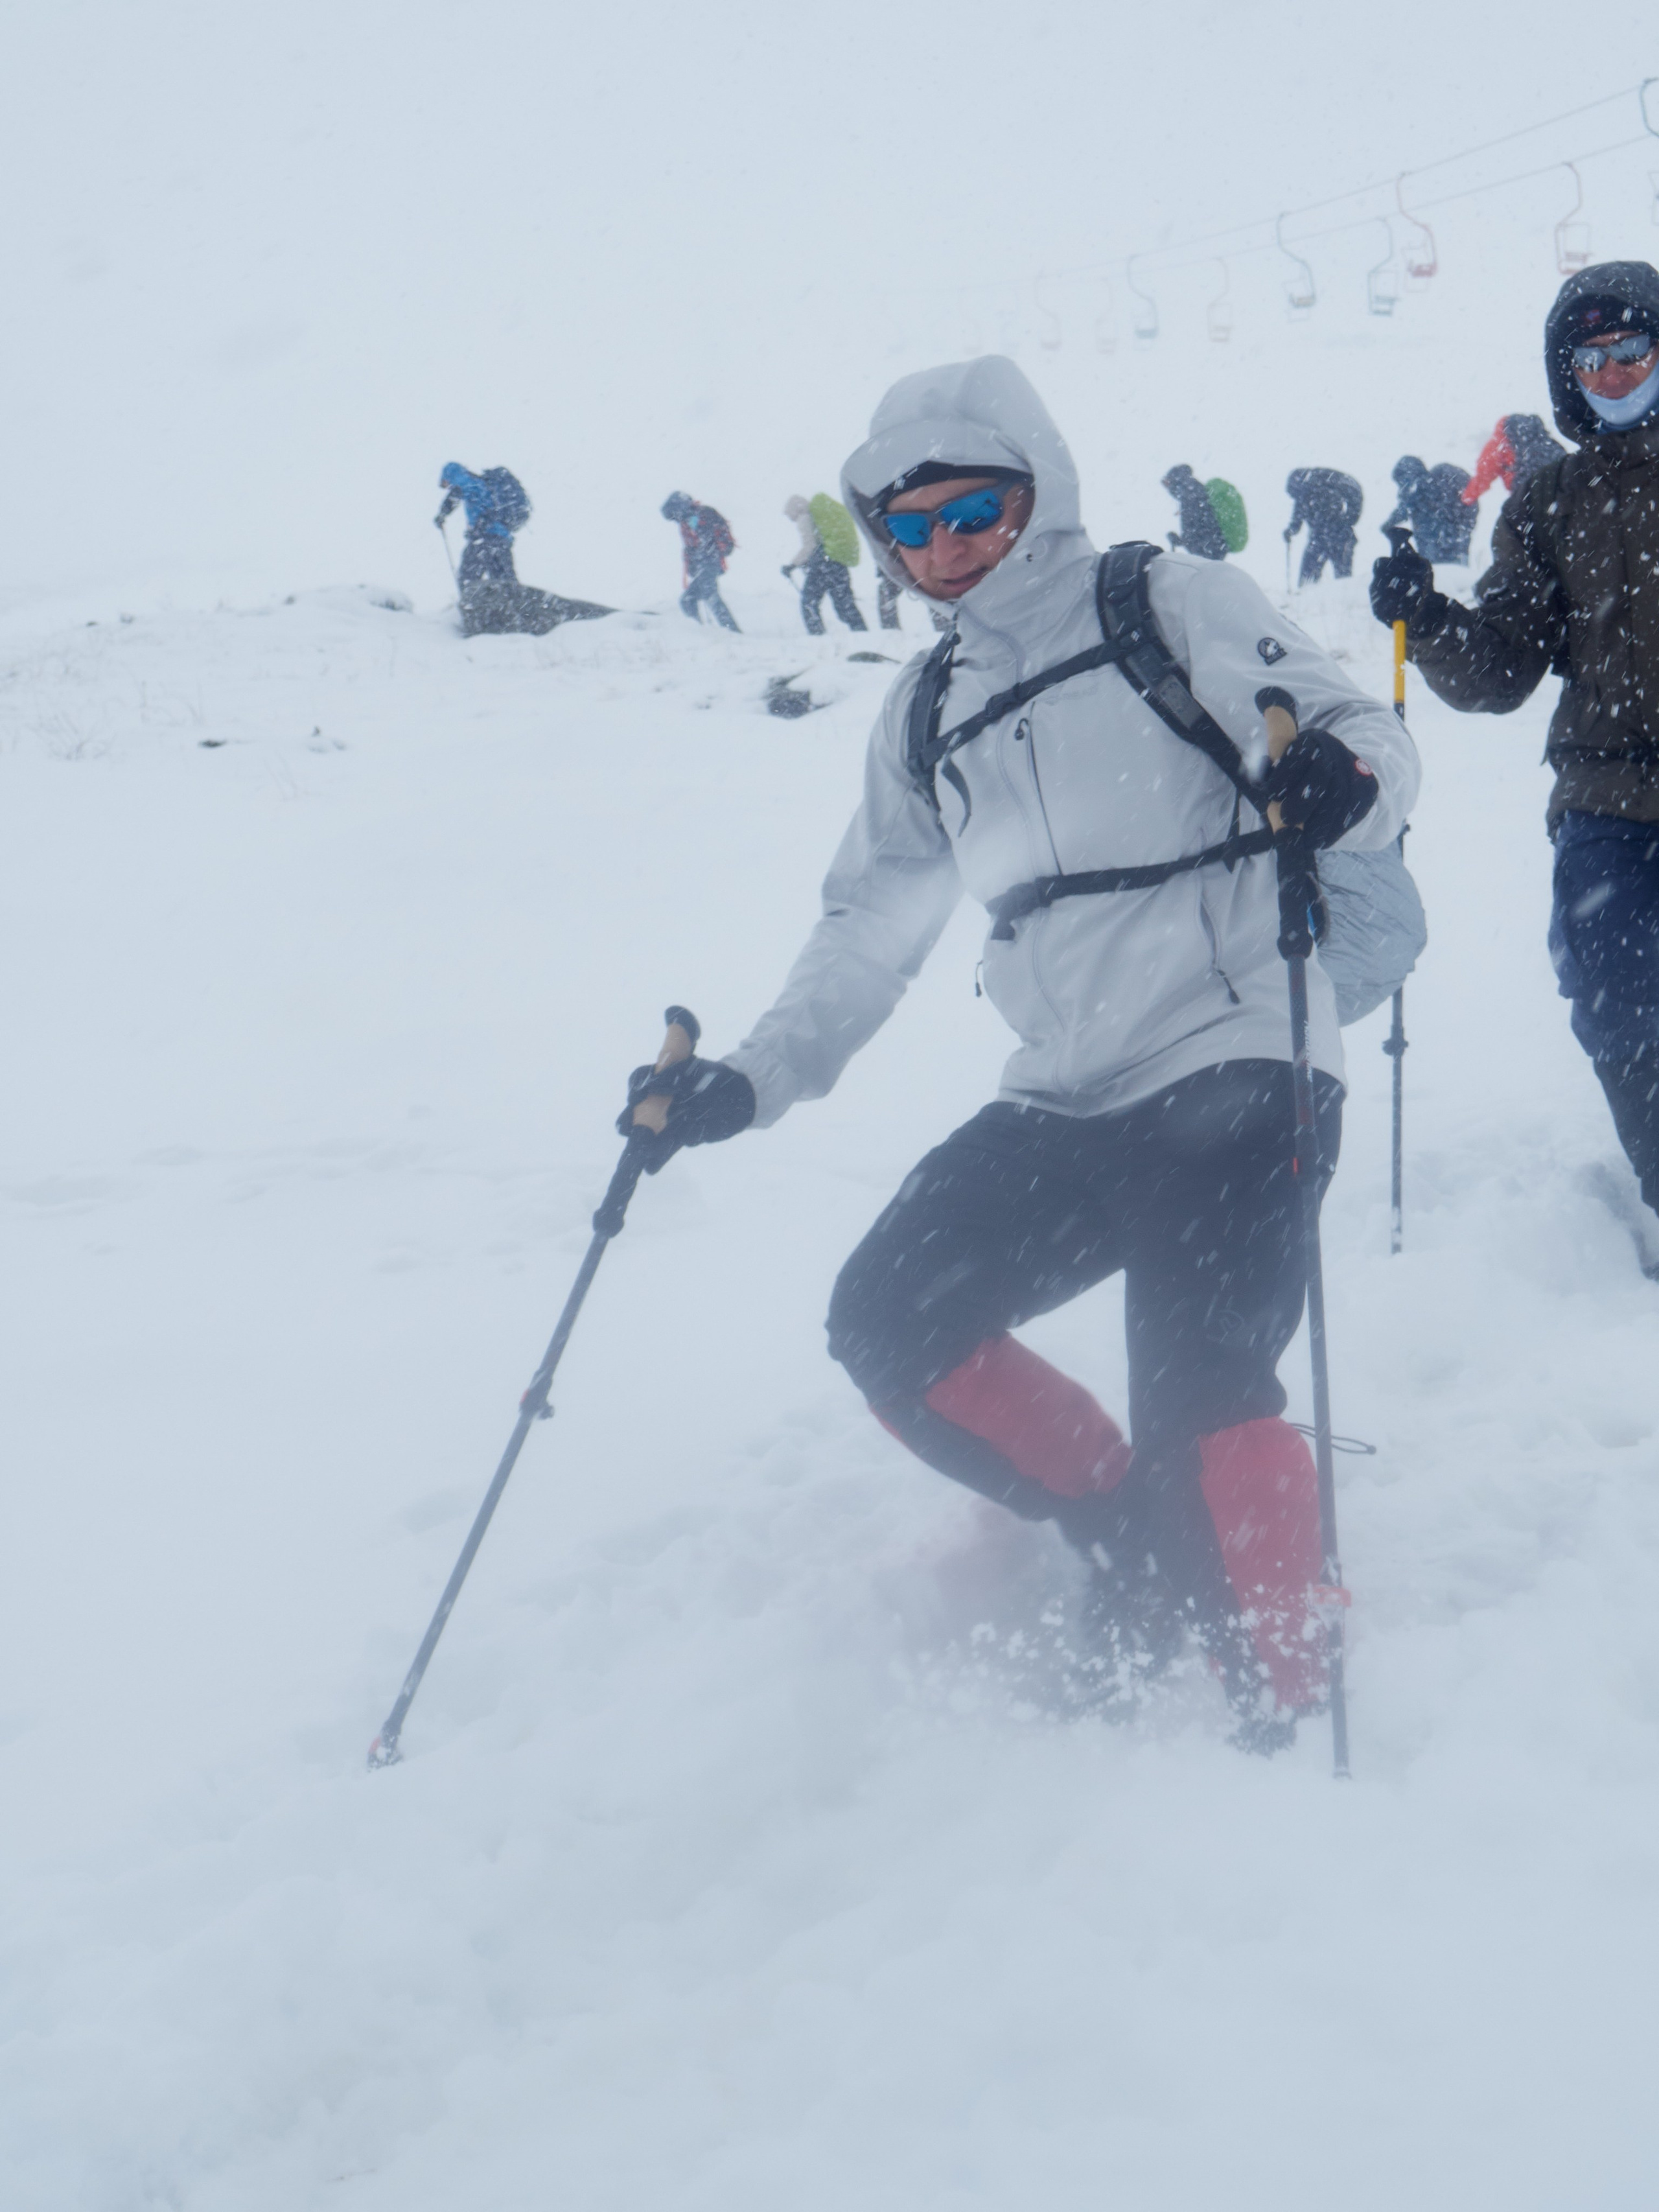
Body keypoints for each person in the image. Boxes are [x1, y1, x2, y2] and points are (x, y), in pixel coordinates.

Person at [627, 358, 1419, 1749]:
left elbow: (1354, 725)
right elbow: (868, 925)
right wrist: (748, 1078)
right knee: (884, 1315)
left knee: (1205, 1386)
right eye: (912, 526)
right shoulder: (923, 708)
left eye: (974, 506)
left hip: (1239, 1053)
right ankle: (1127, 1527)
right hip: (1063, 1093)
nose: (945, 546)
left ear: (1031, 492)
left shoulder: (1161, 600)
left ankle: (1283, 1702)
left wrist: (1339, 778)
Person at [1372, 262, 1659, 1250]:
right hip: (1604, 797)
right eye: (1595, 360)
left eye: (1635, 353)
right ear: (1567, 372)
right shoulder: (1547, 503)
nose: (1616, 375)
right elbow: (1501, 671)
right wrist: (1429, 616)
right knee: (1617, 998)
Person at [434, 463, 610, 636]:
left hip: (484, 539)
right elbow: (463, 495)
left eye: (445, 483)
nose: (447, 487)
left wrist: (447, 515)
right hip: (501, 538)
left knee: (468, 578)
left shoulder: (464, 480)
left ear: (449, 475)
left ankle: (474, 617)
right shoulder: (482, 484)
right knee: (505, 581)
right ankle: (515, 617)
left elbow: (459, 492)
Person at [783, 493, 868, 634]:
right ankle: (863, 634)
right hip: (838, 564)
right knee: (845, 606)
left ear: (794, 510)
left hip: (823, 566)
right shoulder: (821, 517)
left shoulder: (804, 517)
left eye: (789, 516)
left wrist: (792, 565)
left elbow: (809, 546)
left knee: (809, 603)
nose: (791, 520)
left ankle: (818, 637)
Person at [662, 493, 739, 631]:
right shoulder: (688, 520)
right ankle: (704, 631)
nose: (676, 520)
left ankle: (727, 631)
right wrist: (693, 565)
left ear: (679, 508)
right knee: (689, 600)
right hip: (706, 564)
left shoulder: (702, 515)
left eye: (675, 515)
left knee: (707, 596)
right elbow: (692, 547)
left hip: (710, 562)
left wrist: (699, 560)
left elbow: (704, 542)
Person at [1461, 412, 1566, 509]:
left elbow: (1484, 473)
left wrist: (1467, 498)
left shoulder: (1500, 439)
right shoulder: (1539, 436)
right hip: (1559, 478)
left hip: (1529, 487)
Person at [1383, 455, 1475, 565]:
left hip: (1433, 542)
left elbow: (1405, 507)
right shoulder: (1437, 483)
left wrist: (1388, 524)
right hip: (1457, 537)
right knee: (1457, 571)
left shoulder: (1418, 488)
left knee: (1435, 571)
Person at [1284, 467, 1363, 585]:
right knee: (1343, 578)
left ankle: (1306, 595)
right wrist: (1348, 519)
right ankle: (1343, 598)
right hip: (1337, 535)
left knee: (1309, 578)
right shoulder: (1310, 489)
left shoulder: (1314, 488)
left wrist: (1292, 530)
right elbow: (1299, 512)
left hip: (1329, 536)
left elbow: (1299, 513)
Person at [1161, 463, 1228, 561]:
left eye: (1167, 484)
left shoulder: (1189, 494)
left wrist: (1182, 542)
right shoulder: (1193, 489)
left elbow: (1195, 529)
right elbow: (1198, 527)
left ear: (1174, 481)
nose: (1168, 489)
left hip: (1210, 550)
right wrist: (1181, 541)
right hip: (1215, 547)